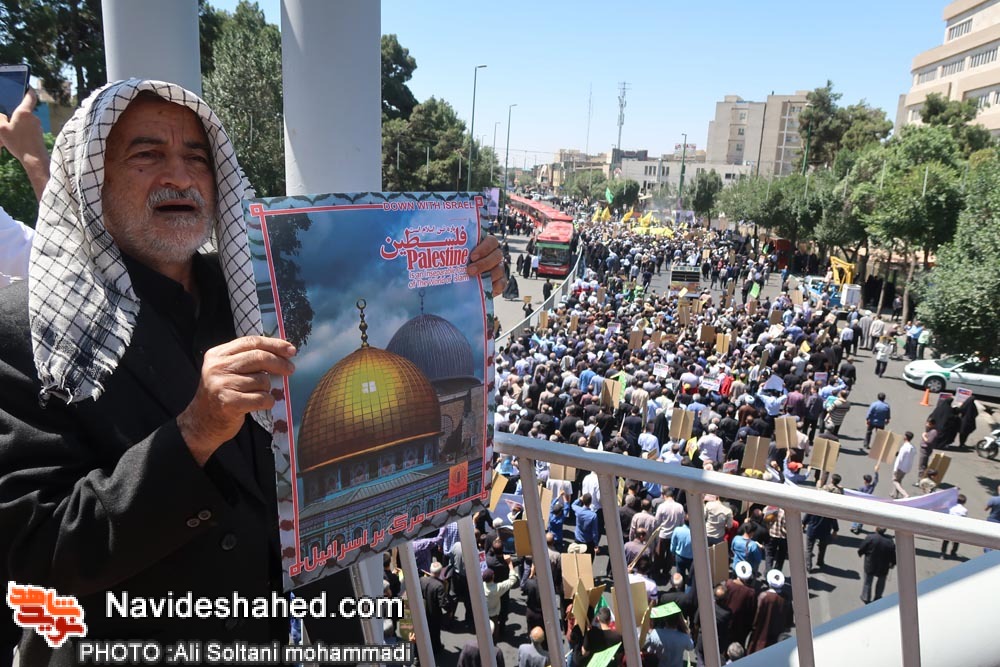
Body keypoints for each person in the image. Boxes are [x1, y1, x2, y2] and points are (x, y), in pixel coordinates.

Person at [0, 80, 506, 664]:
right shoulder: (28, 331)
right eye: (147, 154)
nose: (180, 176)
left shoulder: (254, 297)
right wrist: (191, 435)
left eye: (197, 157)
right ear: (91, 179)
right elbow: (37, 549)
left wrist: (464, 277)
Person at [858, 528, 896, 604]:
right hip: (883, 565)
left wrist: (861, 553)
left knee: (868, 581)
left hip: (870, 563)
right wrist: (893, 563)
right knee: (881, 582)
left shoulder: (870, 537)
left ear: (876, 529)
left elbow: (862, 548)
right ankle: (878, 597)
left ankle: (866, 597)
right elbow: (893, 555)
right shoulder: (890, 541)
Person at [419, 561, 448, 654]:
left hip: (422, 611)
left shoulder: (422, 580)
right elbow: (443, 603)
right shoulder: (439, 585)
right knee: (435, 633)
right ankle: (436, 649)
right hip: (434, 614)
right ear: (440, 572)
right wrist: (449, 608)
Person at [941, 494, 968, 559]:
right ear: (964, 502)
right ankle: (953, 552)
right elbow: (964, 519)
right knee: (956, 541)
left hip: (949, 525)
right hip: (958, 526)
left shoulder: (951, 506)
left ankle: (943, 553)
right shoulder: (964, 510)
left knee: (946, 540)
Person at [891, 431, 916, 498]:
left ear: (905, 437)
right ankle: (895, 494)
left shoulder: (904, 447)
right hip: (906, 468)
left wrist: (895, 468)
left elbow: (900, 459)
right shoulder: (912, 447)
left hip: (900, 467)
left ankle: (904, 494)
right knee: (899, 480)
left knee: (895, 481)